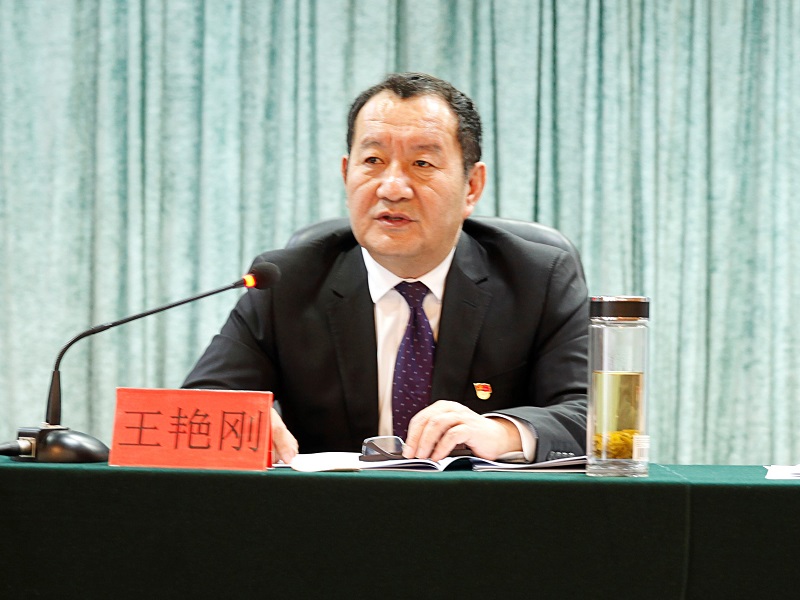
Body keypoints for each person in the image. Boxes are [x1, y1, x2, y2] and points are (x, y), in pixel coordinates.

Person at [183, 72, 589, 465]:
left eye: (422, 163)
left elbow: (595, 414)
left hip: (483, 507)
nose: (392, 188)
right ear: (346, 174)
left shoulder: (538, 279)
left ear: (472, 187)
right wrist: (238, 421)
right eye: (373, 160)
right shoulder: (286, 281)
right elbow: (200, 402)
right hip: (330, 508)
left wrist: (502, 431)